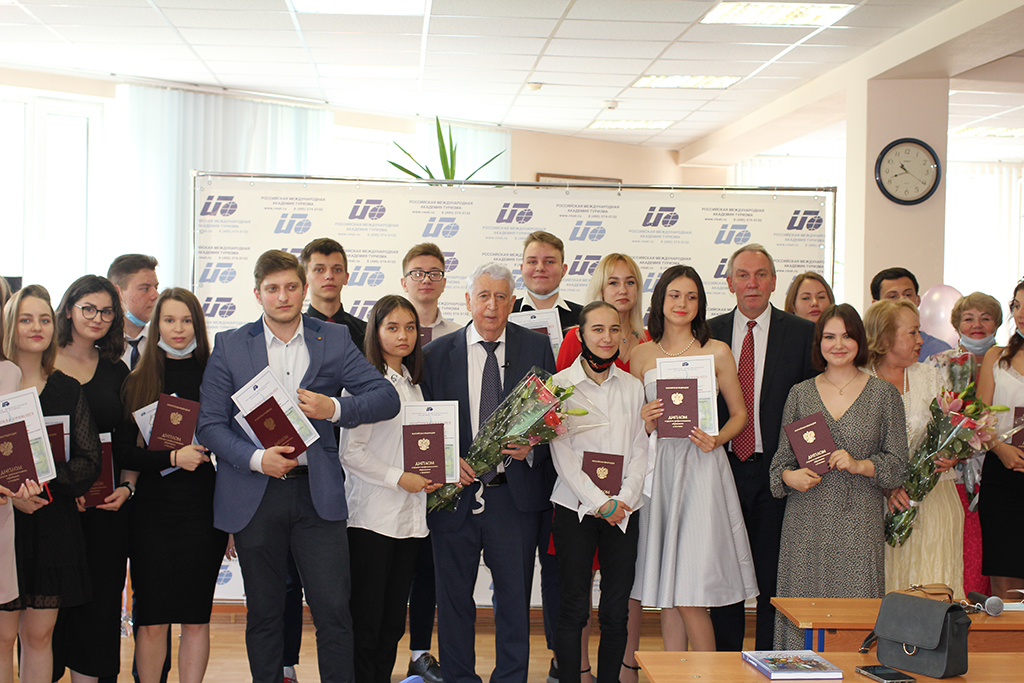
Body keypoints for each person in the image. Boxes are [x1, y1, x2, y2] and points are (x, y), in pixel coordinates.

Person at [196, 249, 400, 683]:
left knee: (334, 611)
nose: (283, 296)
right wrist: (256, 459)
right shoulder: (231, 345)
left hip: (317, 494)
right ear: (258, 294)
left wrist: (334, 408)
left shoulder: (334, 338)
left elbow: (386, 398)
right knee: (264, 613)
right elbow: (209, 424)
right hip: (255, 494)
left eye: (291, 287)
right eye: (272, 289)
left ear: (304, 289)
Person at [422, 262, 556, 683]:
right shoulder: (435, 355)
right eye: (483, 296)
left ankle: (511, 678)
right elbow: (424, 426)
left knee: (514, 602)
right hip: (453, 497)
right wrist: (446, 463)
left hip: (513, 497)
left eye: (501, 297)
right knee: (453, 601)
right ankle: (459, 677)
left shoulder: (536, 348)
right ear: (467, 300)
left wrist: (533, 445)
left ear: (512, 302)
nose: (492, 306)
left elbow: (552, 420)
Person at [630, 265, 757, 654]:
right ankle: (674, 675)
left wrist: (717, 439)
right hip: (659, 472)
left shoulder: (717, 351)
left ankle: (708, 675)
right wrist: (645, 422)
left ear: (700, 304)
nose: (682, 303)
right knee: (668, 592)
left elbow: (740, 414)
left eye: (691, 296)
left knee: (691, 591)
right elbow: (633, 425)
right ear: (660, 300)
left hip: (702, 469)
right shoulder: (640, 355)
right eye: (674, 295)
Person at [769, 304, 908, 649]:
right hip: (806, 524)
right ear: (819, 343)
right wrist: (790, 477)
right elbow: (779, 464)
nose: (839, 345)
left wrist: (861, 465)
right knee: (803, 611)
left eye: (847, 336)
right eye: (829, 337)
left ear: (859, 340)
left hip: (858, 524)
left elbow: (898, 465)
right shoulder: (800, 394)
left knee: (856, 614)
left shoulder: (884, 394)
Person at [707, 244, 817, 651]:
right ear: (729, 282)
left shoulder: (803, 334)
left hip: (778, 473)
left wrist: (810, 466)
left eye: (761, 275)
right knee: (725, 577)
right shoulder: (707, 334)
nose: (751, 283)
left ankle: (769, 662)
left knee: (772, 578)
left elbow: (810, 408)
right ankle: (726, 665)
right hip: (720, 469)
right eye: (743, 275)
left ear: (773, 281)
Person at [115, 288, 225, 683]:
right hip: (151, 515)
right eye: (169, 320)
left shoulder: (216, 376)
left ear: (198, 324)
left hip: (204, 513)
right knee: (152, 618)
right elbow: (124, 453)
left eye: (186, 320)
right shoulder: (138, 379)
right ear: (156, 324)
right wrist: (172, 458)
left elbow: (234, 448)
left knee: (196, 618)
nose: (178, 329)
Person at [1, 285, 102, 683]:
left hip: (52, 523)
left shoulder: (67, 388)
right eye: (26, 319)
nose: (37, 327)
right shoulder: (1, 384)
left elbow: (89, 460)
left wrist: (41, 481)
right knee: (3, 638)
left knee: (39, 635)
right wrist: (13, 494)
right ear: (10, 325)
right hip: (5, 523)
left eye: (44, 319)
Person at [340, 295, 440, 683]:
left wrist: (432, 474)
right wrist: (399, 478)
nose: (403, 336)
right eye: (392, 327)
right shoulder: (364, 385)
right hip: (372, 519)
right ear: (375, 332)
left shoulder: (414, 386)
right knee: (367, 621)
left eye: (410, 327)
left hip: (409, 520)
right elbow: (350, 453)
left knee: (393, 622)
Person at [549, 301, 647, 683]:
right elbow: (563, 456)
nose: (607, 338)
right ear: (581, 334)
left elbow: (641, 449)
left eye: (614, 329)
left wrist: (623, 500)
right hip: (575, 509)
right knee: (574, 608)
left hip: (623, 511)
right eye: (597, 329)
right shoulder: (559, 387)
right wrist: (599, 502)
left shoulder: (634, 387)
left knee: (615, 612)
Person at [52, 276, 135, 683]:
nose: (97, 318)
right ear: (69, 309)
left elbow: (128, 437)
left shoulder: (117, 370)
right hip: (50, 506)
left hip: (105, 509)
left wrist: (128, 486)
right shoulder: (41, 363)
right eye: (88, 308)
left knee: (100, 607)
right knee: (49, 608)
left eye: (106, 311)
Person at [865, 300, 963, 595]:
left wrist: (952, 453)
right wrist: (887, 486)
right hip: (879, 504)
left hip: (935, 500)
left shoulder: (930, 376)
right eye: (912, 332)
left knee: (934, 582)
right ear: (885, 338)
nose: (921, 340)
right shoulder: (860, 380)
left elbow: (949, 429)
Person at [398, 243, 457, 683]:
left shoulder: (459, 334)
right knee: (393, 569)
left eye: (434, 272)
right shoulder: (384, 331)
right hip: (392, 470)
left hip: (441, 471)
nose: (426, 279)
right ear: (404, 281)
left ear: (444, 281)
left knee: (428, 566)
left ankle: (420, 653)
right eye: (417, 272)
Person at [929, 292, 1003, 596]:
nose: (977, 325)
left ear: (998, 323)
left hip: (999, 467)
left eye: (986, 318)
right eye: (969, 318)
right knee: (963, 549)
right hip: (955, 474)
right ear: (956, 324)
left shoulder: (1008, 362)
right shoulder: (939, 364)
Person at [0, 310, 44, 683]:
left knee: (2, 639)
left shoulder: (8, 373)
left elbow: (11, 448)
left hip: (1, 519)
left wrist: (21, 484)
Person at [976, 279, 1024, 601]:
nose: (1021, 314)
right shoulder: (996, 357)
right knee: (1005, 579)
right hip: (1002, 472)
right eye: (1017, 306)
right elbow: (980, 417)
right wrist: (999, 448)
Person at [557, 254, 649, 373]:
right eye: (613, 283)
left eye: (630, 282)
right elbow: (560, 383)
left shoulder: (651, 339)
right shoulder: (577, 338)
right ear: (600, 288)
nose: (623, 290)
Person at [870, 267, 951, 361]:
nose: (902, 300)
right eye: (892, 296)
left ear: (918, 300)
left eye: (908, 295)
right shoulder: (863, 348)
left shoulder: (940, 351)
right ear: (876, 305)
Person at [300, 237, 367, 351]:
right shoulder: (294, 332)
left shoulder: (365, 333)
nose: (329, 276)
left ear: (346, 278)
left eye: (337, 270)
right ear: (305, 277)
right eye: (319, 270)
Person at [512, 231, 582, 332]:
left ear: (563, 270)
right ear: (522, 269)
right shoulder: (504, 314)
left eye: (549, 262)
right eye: (532, 262)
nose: (540, 268)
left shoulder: (584, 317)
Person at [401, 242, 462, 341]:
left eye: (434, 274)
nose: (426, 280)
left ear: (444, 283)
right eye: (418, 274)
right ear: (404, 283)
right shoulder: (390, 334)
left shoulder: (458, 335)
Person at [107, 255, 159, 370]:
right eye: (145, 288)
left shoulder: (162, 342)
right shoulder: (99, 344)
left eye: (156, 287)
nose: (155, 295)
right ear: (117, 293)